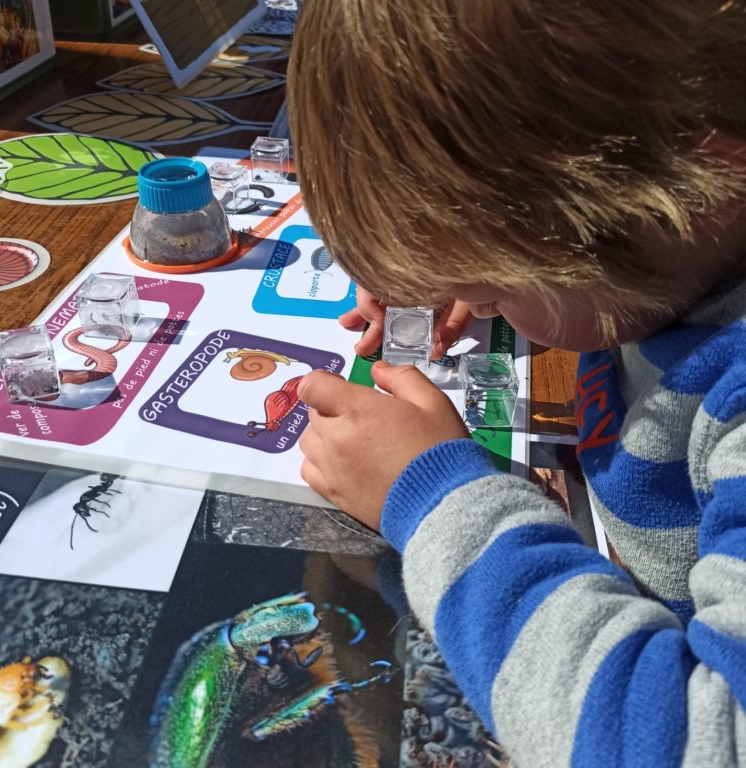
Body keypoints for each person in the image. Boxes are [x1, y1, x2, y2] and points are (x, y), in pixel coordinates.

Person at [287, 0, 746, 764]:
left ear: (692, 193)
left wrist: (439, 504)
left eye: (496, 292)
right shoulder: (690, 262)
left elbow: (699, 742)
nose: (485, 306)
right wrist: (472, 263)